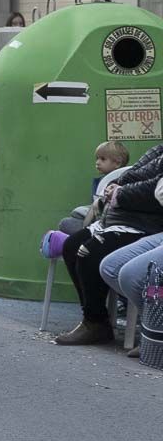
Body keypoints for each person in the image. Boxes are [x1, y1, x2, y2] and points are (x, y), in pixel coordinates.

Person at [56, 144, 163, 345]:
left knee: (89, 253)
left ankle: (99, 321)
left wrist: (119, 194)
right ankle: (95, 320)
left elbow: (153, 192)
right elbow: (131, 173)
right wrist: (113, 186)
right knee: (71, 245)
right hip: (120, 216)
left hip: (147, 223)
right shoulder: (158, 151)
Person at [57, 141, 131, 235]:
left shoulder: (123, 180)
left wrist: (85, 229)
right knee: (74, 215)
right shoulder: (100, 181)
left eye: (103, 159)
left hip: (109, 220)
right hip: (99, 218)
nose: (97, 162)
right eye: (97, 159)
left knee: (66, 222)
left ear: (117, 163)